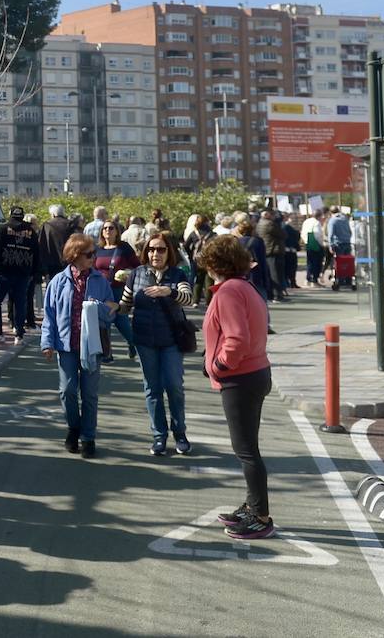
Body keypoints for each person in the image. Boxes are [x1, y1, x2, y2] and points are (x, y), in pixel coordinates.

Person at [196, 234, 276, 540]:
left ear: (216, 264)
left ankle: (260, 516)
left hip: (240, 377)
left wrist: (218, 365)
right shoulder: (245, 286)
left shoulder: (229, 291)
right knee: (247, 448)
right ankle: (253, 505)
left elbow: (237, 338)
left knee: (246, 451)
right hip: (254, 372)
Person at [41, 233, 116, 459]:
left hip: (91, 345)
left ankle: (88, 437)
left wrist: (97, 307)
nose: (94, 258)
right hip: (66, 345)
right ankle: (74, 427)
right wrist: (47, 342)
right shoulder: (58, 282)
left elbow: (112, 311)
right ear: (74, 256)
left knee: (90, 394)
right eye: (89, 254)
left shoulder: (100, 281)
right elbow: (49, 316)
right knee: (68, 391)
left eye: (94, 253)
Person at [123, 232, 194, 456]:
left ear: (168, 253)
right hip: (144, 341)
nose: (156, 253)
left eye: (161, 249)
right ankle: (159, 436)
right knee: (152, 389)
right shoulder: (136, 275)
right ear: (146, 253)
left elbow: (188, 298)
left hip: (171, 340)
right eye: (152, 249)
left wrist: (169, 291)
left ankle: (180, 433)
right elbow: (125, 305)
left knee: (174, 386)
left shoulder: (177, 274)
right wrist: (110, 304)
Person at [0, 206, 40, 341]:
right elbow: (36, 253)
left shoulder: (3, 229)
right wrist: (34, 273)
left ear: (10, 214)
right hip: (24, 273)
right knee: (20, 302)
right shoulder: (31, 231)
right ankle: (19, 333)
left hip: (4, 272)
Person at [94, 219, 139, 360]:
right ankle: (107, 353)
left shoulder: (123, 248)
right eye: (105, 228)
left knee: (121, 321)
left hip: (118, 290)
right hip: (101, 291)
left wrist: (127, 273)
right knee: (103, 321)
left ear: (116, 231)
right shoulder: (97, 249)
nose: (108, 230)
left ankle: (133, 343)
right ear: (102, 232)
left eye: (111, 228)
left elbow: (137, 267)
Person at [255, 210, 288, 302]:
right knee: (276, 274)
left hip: (268, 250)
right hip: (273, 250)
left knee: (271, 274)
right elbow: (283, 234)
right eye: (272, 214)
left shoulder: (260, 223)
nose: (274, 216)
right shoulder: (270, 224)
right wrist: (278, 223)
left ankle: (271, 294)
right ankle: (277, 295)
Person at [235, 219, 271, 301]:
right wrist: (266, 280)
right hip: (256, 273)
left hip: (241, 274)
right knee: (261, 303)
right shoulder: (258, 242)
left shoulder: (236, 242)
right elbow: (262, 261)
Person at [37, 204, 74, 280]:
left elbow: (42, 246)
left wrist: (43, 269)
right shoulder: (71, 225)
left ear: (53, 214)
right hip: (70, 262)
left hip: (52, 265)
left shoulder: (47, 226)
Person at [301, 209, 326, 286]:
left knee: (310, 262)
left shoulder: (306, 221)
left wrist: (305, 240)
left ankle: (308, 278)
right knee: (317, 263)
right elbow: (317, 234)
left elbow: (302, 232)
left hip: (308, 243)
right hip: (316, 244)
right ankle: (314, 279)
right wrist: (321, 244)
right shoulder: (316, 223)